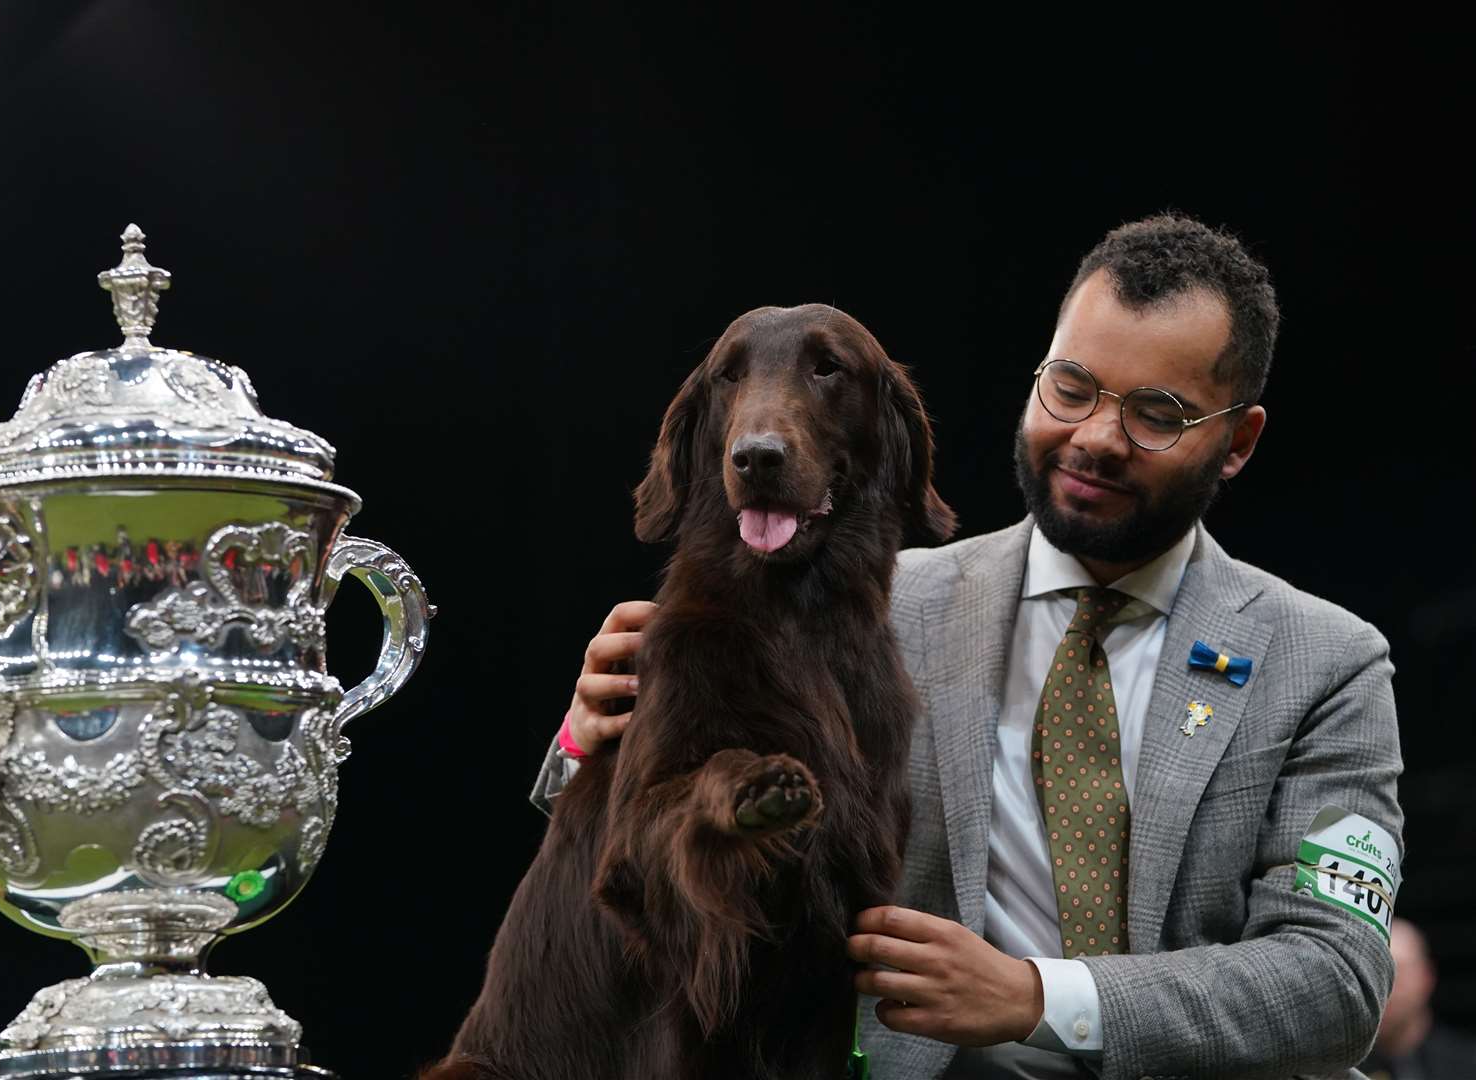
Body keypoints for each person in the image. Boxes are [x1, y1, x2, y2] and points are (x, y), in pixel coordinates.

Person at [537, 214, 1404, 1079]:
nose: (1096, 438)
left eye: (1157, 415)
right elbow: (663, 851)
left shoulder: (1327, 663)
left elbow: (1335, 980)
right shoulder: (873, 609)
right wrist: (587, 744)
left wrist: (1037, 997)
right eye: (1072, 387)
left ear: (1238, 442)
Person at [1360, 918, 1476, 1079]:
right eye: (1374, 973)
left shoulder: (1467, 1065)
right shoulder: (1335, 1069)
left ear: (1427, 977)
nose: (1385, 988)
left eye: (1398, 972)